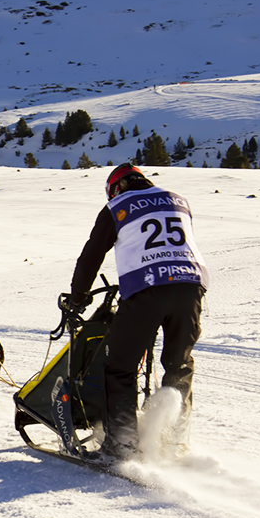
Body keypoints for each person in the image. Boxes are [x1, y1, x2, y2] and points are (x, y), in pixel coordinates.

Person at [70, 163, 208, 459]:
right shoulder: (178, 200)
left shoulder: (117, 206)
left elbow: (92, 254)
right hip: (192, 286)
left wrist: (78, 296)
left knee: (120, 368)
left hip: (147, 289)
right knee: (178, 365)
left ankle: (121, 447)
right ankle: (174, 444)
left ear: (116, 188)